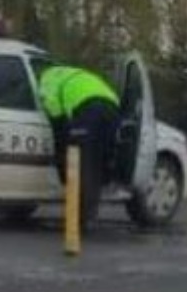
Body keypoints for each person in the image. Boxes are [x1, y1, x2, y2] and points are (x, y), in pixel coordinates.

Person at [36, 60, 122, 214]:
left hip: (88, 110)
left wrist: (60, 158)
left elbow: (58, 123)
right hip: (113, 108)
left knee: (81, 159)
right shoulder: (73, 73)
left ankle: (79, 216)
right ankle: (93, 201)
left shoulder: (46, 82)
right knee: (97, 158)